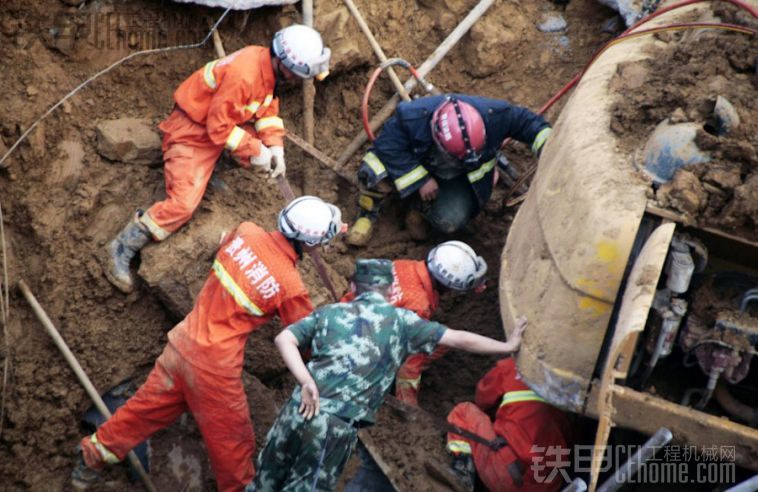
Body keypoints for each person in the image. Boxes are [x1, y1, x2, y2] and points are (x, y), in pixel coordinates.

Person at [73, 196, 345, 492]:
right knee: (234, 448)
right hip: (214, 371)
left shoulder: (247, 231)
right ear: (310, 243)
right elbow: (305, 339)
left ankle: (90, 458)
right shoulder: (290, 286)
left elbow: (227, 249)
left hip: (182, 345)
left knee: (140, 413)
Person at [254, 258, 526, 491]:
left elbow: (283, 338)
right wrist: (507, 345)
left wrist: (306, 381)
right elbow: (458, 339)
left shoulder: (330, 312)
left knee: (263, 482)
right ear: (391, 289)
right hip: (333, 426)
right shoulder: (403, 322)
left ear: (352, 288)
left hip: (296, 410)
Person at [105, 24, 332, 293]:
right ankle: (121, 247)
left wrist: (275, 147)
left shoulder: (266, 68)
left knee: (255, 148)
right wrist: (255, 150)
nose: (297, 81)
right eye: (297, 75)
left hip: (215, 125)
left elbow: (267, 110)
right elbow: (217, 128)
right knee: (183, 205)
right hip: (192, 131)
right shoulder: (245, 76)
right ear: (284, 65)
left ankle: (212, 170)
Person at [345, 94, 552, 246]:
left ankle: (420, 210)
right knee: (374, 167)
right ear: (436, 135)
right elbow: (388, 147)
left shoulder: (494, 115)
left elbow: (528, 123)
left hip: (459, 179)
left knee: (450, 220)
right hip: (421, 163)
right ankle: (367, 213)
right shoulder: (412, 117)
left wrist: (550, 146)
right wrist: (421, 180)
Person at [341, 240, 488, 405]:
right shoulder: (419, 304)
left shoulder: (405, 266)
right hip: (357, 351)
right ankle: (405, 402)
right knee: (430, 347)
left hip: (345, 318)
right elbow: (410, 349)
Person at [446, 357, 572, 492]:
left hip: (510, 477)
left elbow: (482, 399)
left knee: (463, 412)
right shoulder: (568, 383)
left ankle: (462, 474)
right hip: (551, 483)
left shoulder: (512, 367)